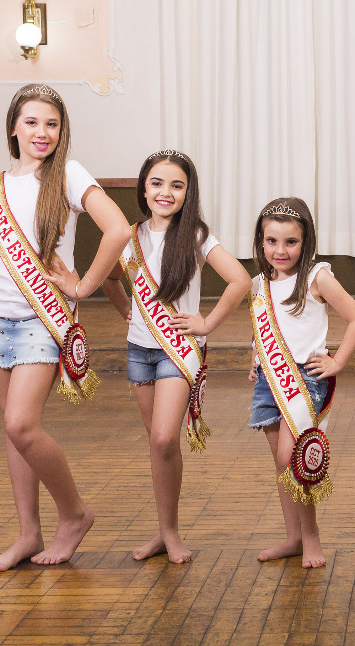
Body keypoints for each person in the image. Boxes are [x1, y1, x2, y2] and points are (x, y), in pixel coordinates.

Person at [0, 83, 131, 571]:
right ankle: (28, 534)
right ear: (14, 126)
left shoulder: (69, 176)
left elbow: (119, 229)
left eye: (52, 124)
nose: (43, 132)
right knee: (15, 431)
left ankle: (74, 514)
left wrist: (81, 287)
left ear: (63, 132)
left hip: (43, 318)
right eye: (33, 122)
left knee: (22, 423)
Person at [100, 149, 249, 563]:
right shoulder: (127, 237)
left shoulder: (196, 236)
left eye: (177, 185)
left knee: (165, 436)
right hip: (139, 350)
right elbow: (112, 280)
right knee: (158, 445)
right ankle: (165, 532)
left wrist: (206, 323)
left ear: (188, 192)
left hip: (178, 351)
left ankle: (171, 532)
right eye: (157, 183)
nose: (166, 192)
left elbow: (240, 280)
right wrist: (125, 309)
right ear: (144, 189)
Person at [248, 197, 355, 568]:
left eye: (290, 242)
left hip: (304, 377)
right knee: (281, 464)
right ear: (260, 241)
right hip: (269, 378)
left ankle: (312, 536)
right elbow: (263, 327)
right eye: (271, 241)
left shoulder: (317, 277)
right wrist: (254, 359)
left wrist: (337, 361)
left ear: (306, 242)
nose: (280, 250)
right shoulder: (258, 284)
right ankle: (294, 538)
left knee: (292, 456)